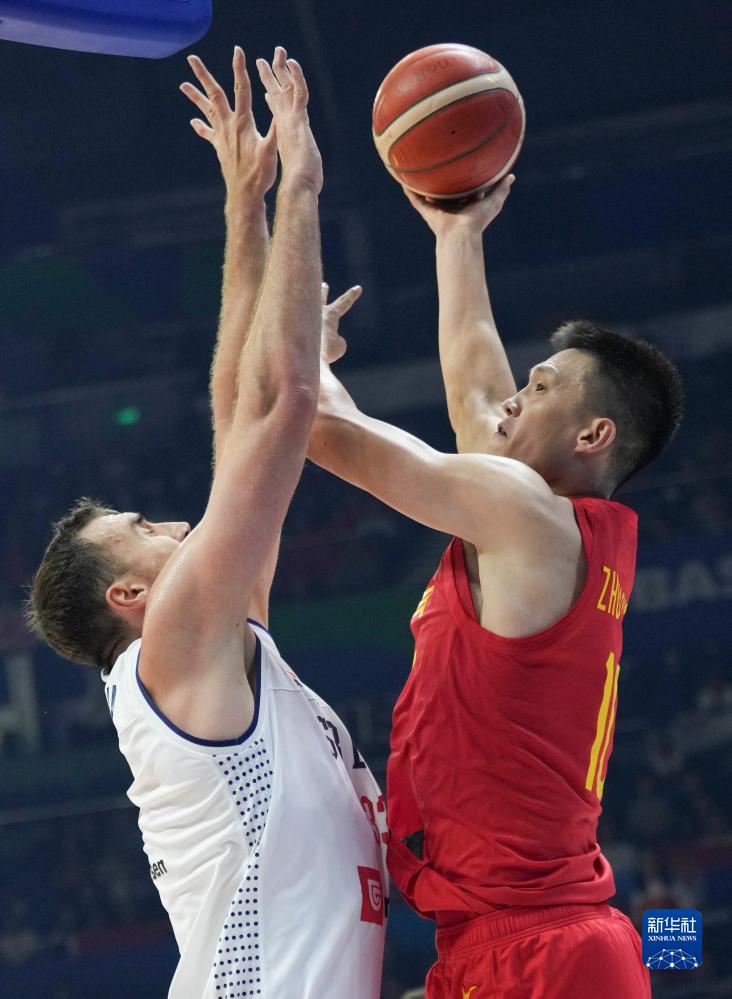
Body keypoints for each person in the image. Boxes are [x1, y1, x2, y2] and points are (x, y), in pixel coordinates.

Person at [26, 48, 387, 999]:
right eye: (147, 525)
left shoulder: (209, 648)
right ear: (130, 594)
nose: (181, 520)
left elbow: (236, 411)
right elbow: (285, 402)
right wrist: (300, 186)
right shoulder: (173, 650)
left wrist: (244, 206)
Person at [307, 176, 684, 998]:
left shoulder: (528, 517)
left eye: (541, 388)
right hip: (519, 939)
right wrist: (458, 236)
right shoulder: (547, 525)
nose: (516, 396)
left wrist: (298, 351)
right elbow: (476, 395)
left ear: (593, 433)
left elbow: (326, 432)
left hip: (540, 947)